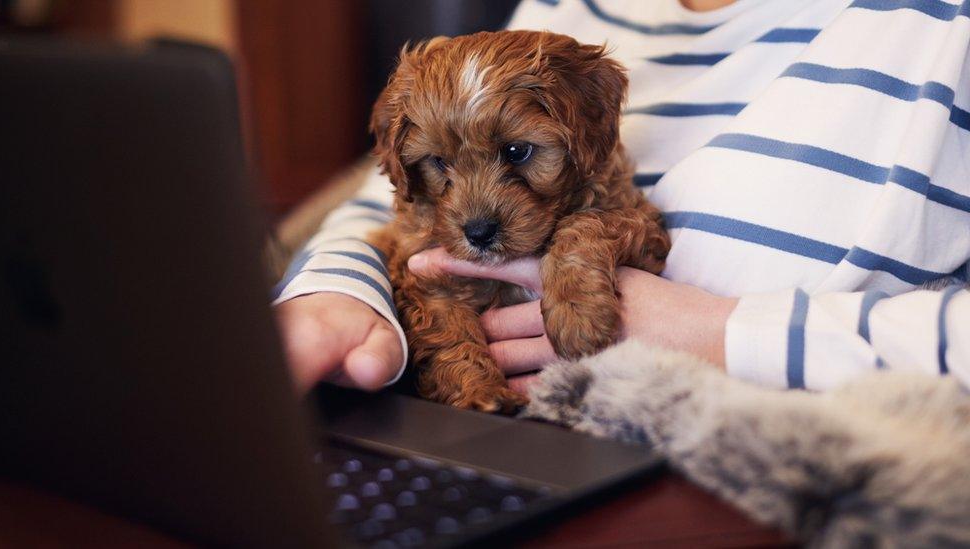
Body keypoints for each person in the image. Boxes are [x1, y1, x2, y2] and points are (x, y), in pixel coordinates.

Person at [273, 0, 970, 396]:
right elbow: (386, 202)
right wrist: (338, 295)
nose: (477, 207)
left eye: (520, 154)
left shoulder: (941, 29)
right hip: (488, 450)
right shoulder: (575, 9)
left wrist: (726, 335)